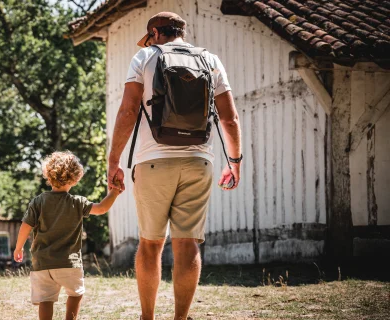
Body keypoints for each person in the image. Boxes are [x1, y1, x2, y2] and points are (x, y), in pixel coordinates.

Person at [107, 12, 242, 320]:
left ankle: (148, 317)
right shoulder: (211, 60)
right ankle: (180, 318)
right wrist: (234, 162)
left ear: (155, 32)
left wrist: (114, 161)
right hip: (198, 161)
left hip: (153, 161)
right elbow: (229, 118)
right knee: (187, 244)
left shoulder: (144, 57)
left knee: (151, 245)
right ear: (182, 32)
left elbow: (128, 111)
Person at [13, 151, 121, 320]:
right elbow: (101, 208)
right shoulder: (77, 202)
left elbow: (25, 226)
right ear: (76, 178)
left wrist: (18, 248)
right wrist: (114, 192)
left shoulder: (38, 201)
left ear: (48, 176)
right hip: (69, 263)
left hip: (42, 263)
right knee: (76, 294)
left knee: (45, 299)